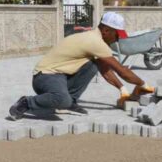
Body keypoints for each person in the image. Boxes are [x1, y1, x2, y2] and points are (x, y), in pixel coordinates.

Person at [8, 12, 154, 120]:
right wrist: (143, 84)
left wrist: (122, 89)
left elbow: (105, 70)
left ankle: (70, 101)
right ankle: (26, 102)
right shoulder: (95, 42)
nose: (117, 39)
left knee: (93, 65)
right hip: (45, 77)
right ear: (106, 30)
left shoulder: (94, 39)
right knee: (62, 100)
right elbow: (122, 71)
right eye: (116, 35)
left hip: (60, 76)